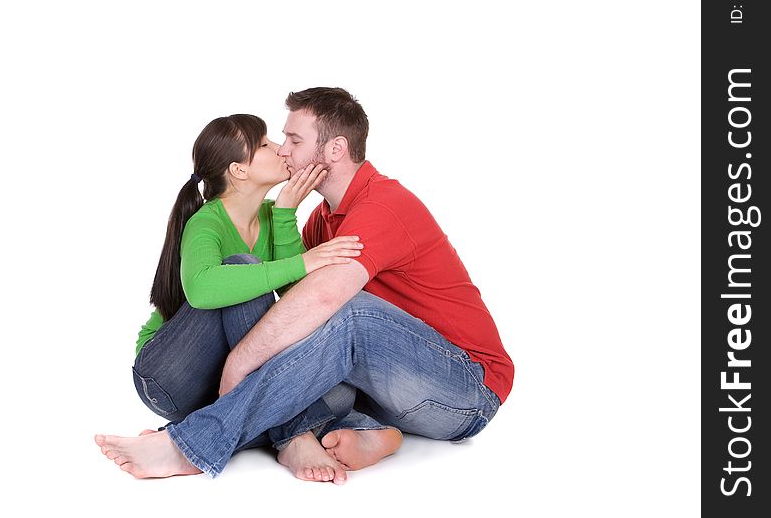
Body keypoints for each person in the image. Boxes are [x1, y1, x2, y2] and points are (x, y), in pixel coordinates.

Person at [95, 88, 514, 484]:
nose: (282, 150)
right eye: (277, 141)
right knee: (306, 331)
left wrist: (240, 362)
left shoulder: (384, 205)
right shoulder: (320, 220)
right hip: (389, 389)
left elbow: (325, 299)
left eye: (294, 140)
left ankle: (191, 444)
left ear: (334, 150)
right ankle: (357, 431)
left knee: (349, 314)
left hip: (465, 389)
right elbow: (298, 312)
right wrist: (289, 223)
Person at [131, 113, 381, 482]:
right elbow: (202, 290)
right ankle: (294, 433)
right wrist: (303, 261)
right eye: (264, 144)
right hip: (168, 374)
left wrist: (283, 215)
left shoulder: (271, 216)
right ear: (238, 170)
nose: (281, 149)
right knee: (241, 267)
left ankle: (198, 433)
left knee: (340, 393)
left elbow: (298, 306)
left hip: (223, 383)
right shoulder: (207, 221)